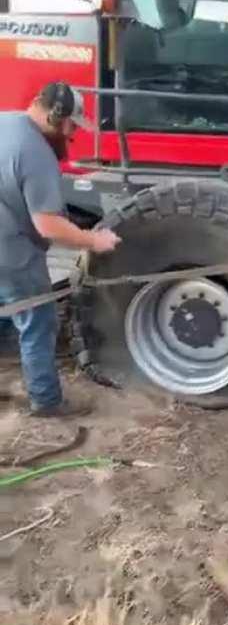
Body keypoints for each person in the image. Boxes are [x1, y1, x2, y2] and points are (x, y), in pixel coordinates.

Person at [0, 82, 121, 417]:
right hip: (11, 253)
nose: (72, 136)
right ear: (57, 116)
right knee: (38, 320)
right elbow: (48, 225)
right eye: (72, 126)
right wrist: (94, 241)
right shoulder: (37, 153)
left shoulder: (5, 123)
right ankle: (47, 402)